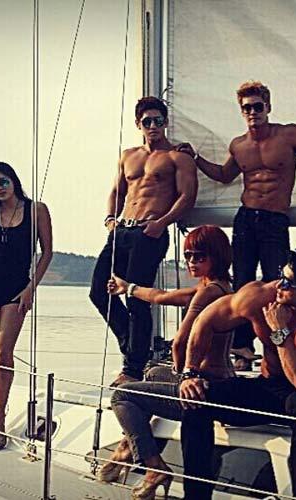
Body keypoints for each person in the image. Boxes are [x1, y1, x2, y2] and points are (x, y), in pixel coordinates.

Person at [178, 247, 296, 500]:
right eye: (281, 276)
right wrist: (190, 372)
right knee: (197, 401)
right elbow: (206, 320)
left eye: (288, 283)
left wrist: (280, 331)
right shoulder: (262, 296)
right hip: (266, 386)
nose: (279, 285)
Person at [178, 81, 296, 370]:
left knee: (277, 284)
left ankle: (276, 351)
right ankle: (243, 347)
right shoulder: (239, 145)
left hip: (275, 219)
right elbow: (224, 175)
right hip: (246, 218)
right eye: (246, 108)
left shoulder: (289, 134)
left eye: (257, 106)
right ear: (241, 111)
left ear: (268, 107)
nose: (253, 112)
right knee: (243, 283)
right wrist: (195, 158)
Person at [97, 225, 233, 499]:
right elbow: (161, 296)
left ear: (217, 256)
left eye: (199, 256)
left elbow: (180, 342)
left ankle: (153, 467)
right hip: (219, 378)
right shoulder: (216, 287)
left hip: (203, 387)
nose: (192, 261)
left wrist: (181, 374)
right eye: (188, 255)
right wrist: (128, 288)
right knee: (152, 373)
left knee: (122, 396)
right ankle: (126, 446)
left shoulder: (208, 293)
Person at [89, 97, 198, 387]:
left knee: (136, 298)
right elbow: (117, 191)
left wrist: (161, 223)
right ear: (139, 124)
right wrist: (110, 219)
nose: (153, 126)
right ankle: (135, 347)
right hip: (121, 231)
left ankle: (133, 368)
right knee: (99, 291)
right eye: (147, 121)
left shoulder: (177, 157)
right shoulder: (128, 156)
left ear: (166, 122)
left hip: (149, 234)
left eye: (158, 120)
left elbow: (187, 197)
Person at [0, 161, 52, 451]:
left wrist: (31, 288)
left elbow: (47, 252)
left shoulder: (36, 210)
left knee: (3, 354)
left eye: (2, 181)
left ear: (13, 180)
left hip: (16, 289)